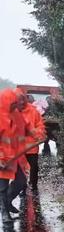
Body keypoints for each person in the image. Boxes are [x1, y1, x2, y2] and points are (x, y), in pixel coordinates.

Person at [17, 89, 46, 191]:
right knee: (20, 169)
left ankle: (33, 185)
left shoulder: (34, 111)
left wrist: (32, 132)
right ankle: (22, 187)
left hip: (31, 147)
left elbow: (40, 127)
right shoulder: (12, 111)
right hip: (19, 148)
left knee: (34, 167)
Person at [0, 89, 19, 223]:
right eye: (13, 103)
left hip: (14, 158)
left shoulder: (14, 116)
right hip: (2, 160)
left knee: (21, 182)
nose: (15, 105)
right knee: (3, 188)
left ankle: (7, 206)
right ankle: (5, 214)